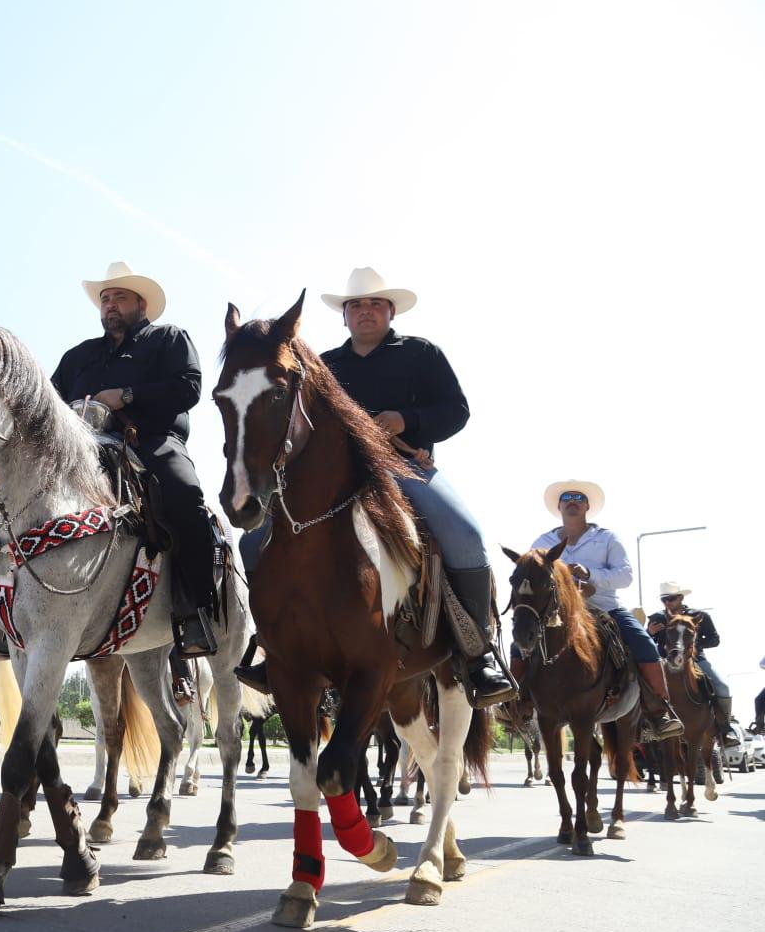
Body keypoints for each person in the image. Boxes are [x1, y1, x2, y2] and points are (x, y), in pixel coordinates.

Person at [235, 267, 514, 707]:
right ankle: (276, 649)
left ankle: (479, 652)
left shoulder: (421, 354)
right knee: (254, 542)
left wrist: (408, 421)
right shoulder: (324, 366)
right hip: (337, 479)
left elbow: (456, 410)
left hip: (405, 467)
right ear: (344, 316)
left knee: (464, 534)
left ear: (390, 311)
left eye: (375, 304)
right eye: (356, 305)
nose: (365, 311)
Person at [50, 261, 217, 661]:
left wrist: (125, 395)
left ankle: (195, 610)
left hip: (150, 442)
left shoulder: (169, 339)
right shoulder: (78, 356)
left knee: (184, 497)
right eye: (105, 298)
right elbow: (48, 403)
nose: (110, 305)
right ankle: (16, 616)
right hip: (81, 450)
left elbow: (189, 387)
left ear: (141, 304)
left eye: (119, 297)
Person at [531, 480, 683, 740]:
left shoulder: (606, 538)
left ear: (587, 506)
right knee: (521, 642)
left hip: (605, 608)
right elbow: (531, 574)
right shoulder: (543, 541)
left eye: (578, 498)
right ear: (559, 506)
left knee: (645, 645)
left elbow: (625, 576)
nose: (572, 501)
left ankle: (659, 713)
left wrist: (591, 575)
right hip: (558, 612)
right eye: (566, 497)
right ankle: (515, 705)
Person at [646, 582, 737, 746]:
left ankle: (725, 729)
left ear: (680, 597)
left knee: (722, 687)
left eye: (671, 599)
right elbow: (647, 643)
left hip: (695, 659)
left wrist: (692, 645)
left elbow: (714, 640)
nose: (667, 603)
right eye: (664, 600)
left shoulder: (699, 616)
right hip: (665, 661)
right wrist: (649, 633)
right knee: (643, 685)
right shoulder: (657, 618)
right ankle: (645, 727)